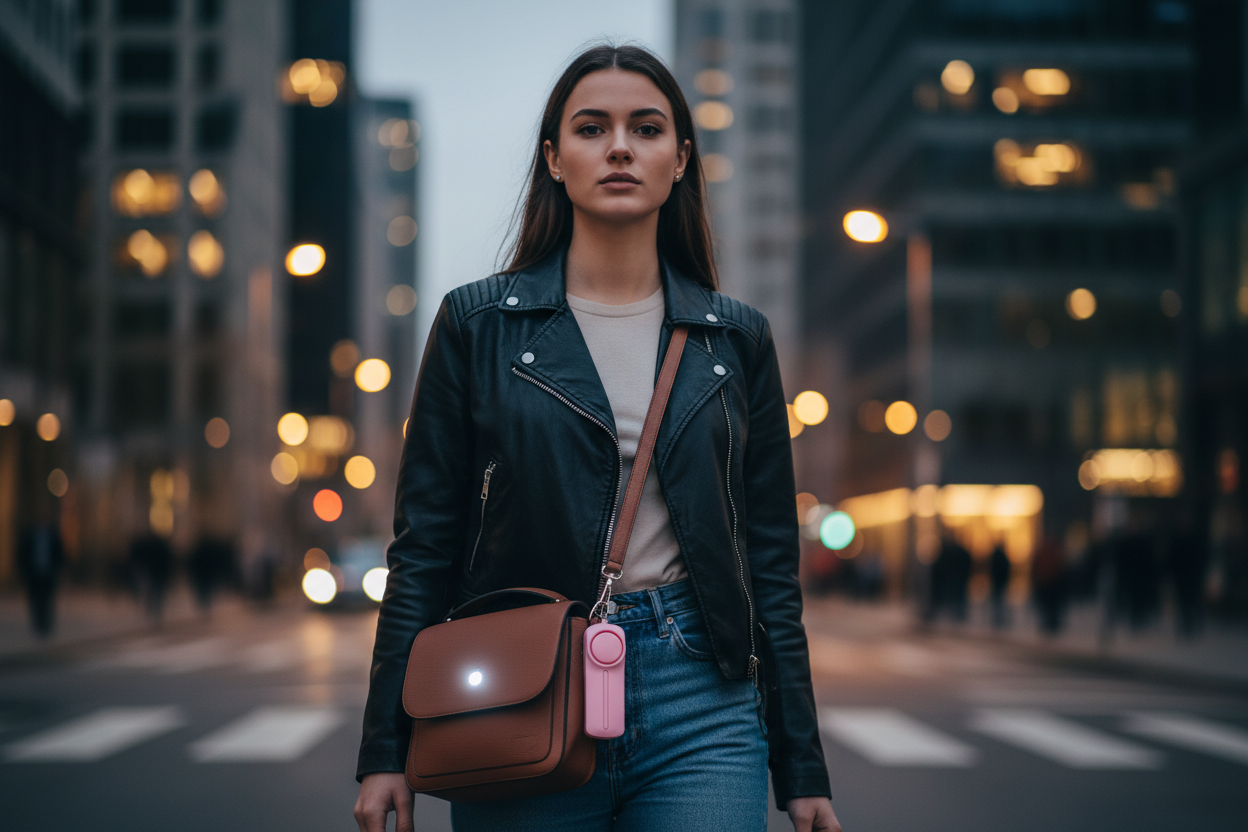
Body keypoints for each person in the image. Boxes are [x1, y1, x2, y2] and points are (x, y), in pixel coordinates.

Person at [354, 44, 839, 832]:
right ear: (554, 158)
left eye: (646, 129)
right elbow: (424, 549)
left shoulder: (736, 338)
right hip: (520, 680)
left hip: (701, 695)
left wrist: (802, 766)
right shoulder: (477, 326)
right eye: (591, 128)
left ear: (680, 159)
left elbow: (770, 567)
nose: (619, 147)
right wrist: (385, 749)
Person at [17, 515, 64, 637]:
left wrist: (58, 570)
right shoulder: (30, 536)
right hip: (33, 574)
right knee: (35, 600)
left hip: (49, 574)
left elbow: (60, 554)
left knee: (47, 600)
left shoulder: (53, 537)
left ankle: (45, 625)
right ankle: (38, 624)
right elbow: (23, 554)